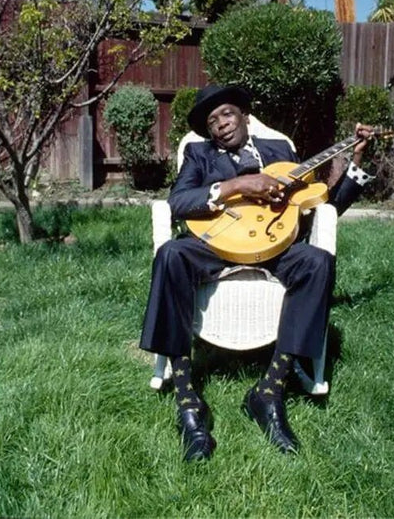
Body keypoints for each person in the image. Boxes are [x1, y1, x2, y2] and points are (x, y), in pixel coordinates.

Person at [140, 83, 374, 462]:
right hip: (216, 246)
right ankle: (188, 400)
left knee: (317, 261)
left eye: (227, 114)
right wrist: (237, 185)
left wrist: (355, 164)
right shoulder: (200, 155)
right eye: (212, 121)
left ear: (245, 117)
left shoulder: (280, 151)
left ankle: (269, 391)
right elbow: (179, 201)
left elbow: (322, 207)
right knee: (171, 254)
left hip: (274, 249)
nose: (220, 124)